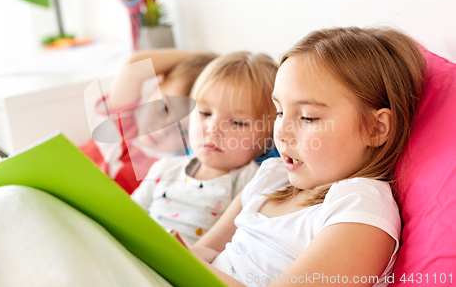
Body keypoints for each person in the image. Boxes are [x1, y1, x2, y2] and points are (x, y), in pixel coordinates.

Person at [190, 27, 425, 287]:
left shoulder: (360, 206)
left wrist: (189, 264)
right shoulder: (271, 177)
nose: (281, 132)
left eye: (307, 117)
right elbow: (201, 252)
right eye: (279, 112)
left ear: (376, 128)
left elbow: (193, 263)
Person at [131, 51, 279, 246]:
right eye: (205, 113)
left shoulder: (252, 183)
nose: (213, 129)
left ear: (268, 137)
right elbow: (127, 217)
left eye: (237, 122)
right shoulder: (164, 168)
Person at [81, 49, 218, 194]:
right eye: (163, 108)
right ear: (156, 86)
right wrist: (209, 61)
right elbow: (132, 68)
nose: (161, 131)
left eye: (183, 131)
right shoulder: (122, 123)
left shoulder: (174, 169)